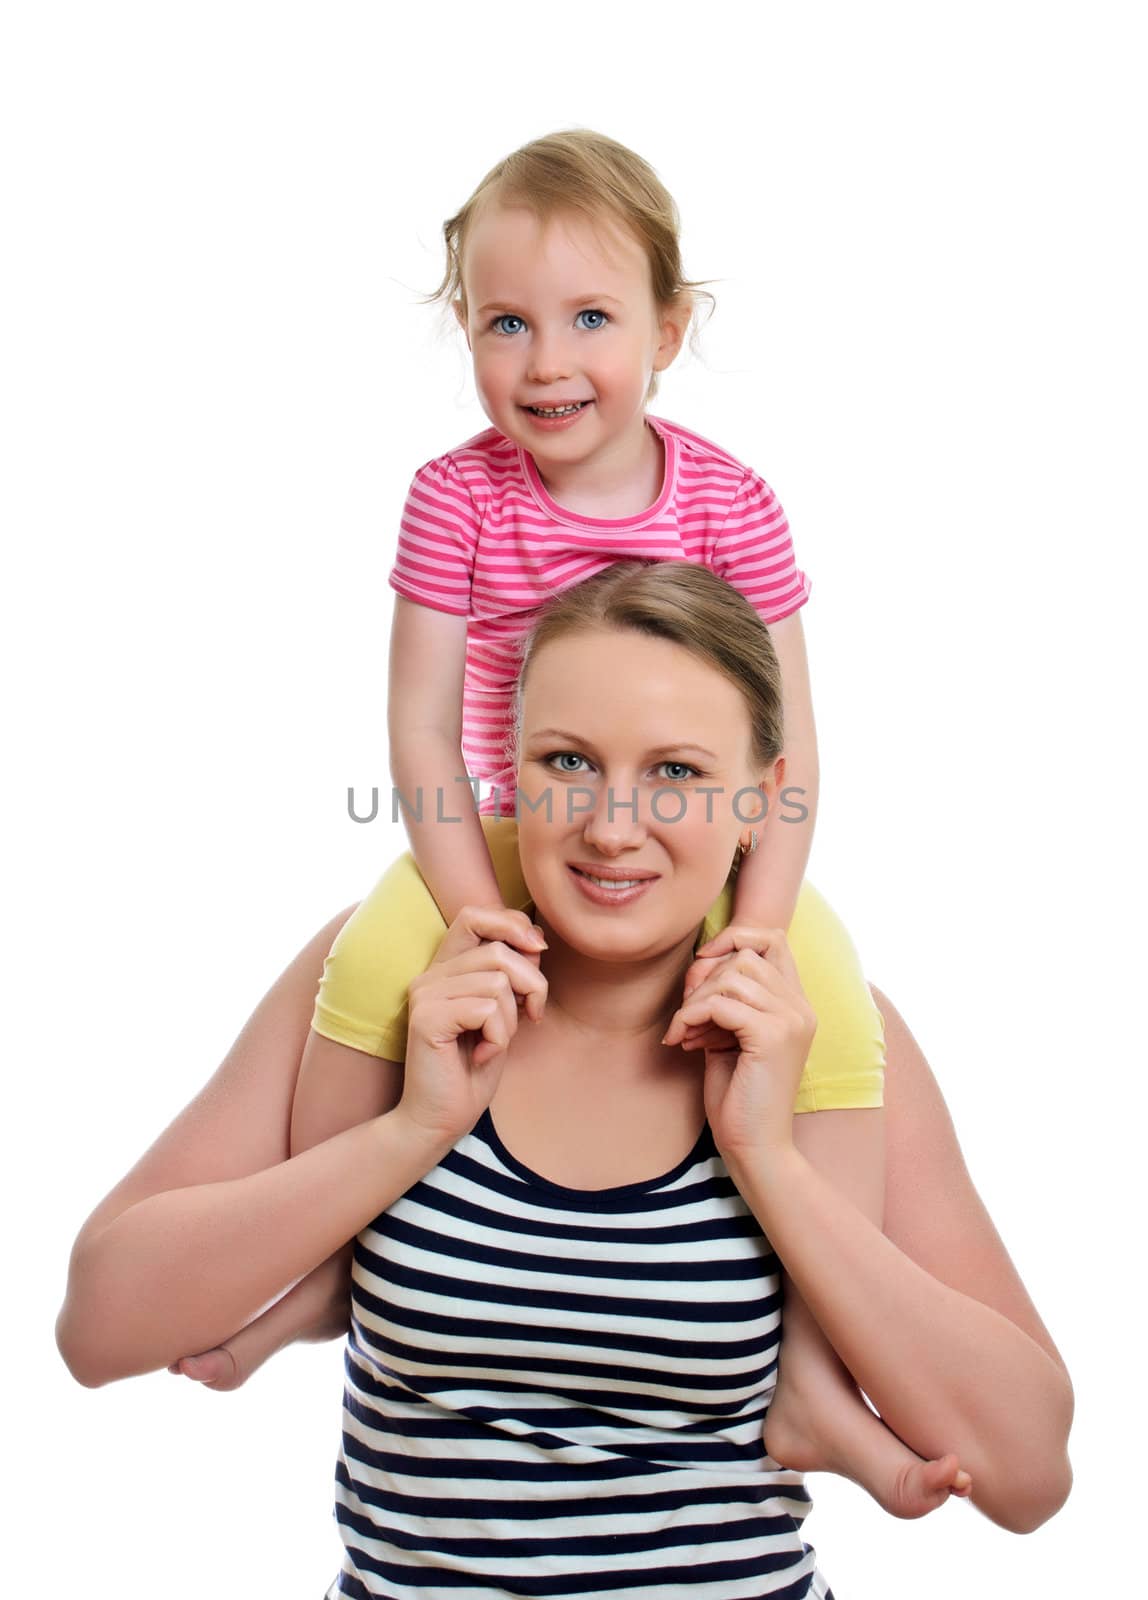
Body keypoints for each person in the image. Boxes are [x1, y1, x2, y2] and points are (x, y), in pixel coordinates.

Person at [57, 564, 1074, 1598]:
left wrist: (769, 1162)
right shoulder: (395, 978)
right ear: (510, 770)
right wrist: (408, 1132)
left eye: (675, 772)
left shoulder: (815, 1035)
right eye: (568, 762)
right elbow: (100, 1329)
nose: (611, 825)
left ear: (761, 799)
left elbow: (1025, 1473)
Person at [309, 124, 922, 1517]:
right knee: (365, 968)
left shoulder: (727, 501)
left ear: (670, 326)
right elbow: (418, 736)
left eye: (591, 318)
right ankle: (323, 1272)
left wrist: (755, 932)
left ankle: (816, 1374)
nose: (547, 362)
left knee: (827, 1014)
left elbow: (791, 746)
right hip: (504, 843)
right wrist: (475, 903)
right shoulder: (453, 496)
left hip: (698, 863)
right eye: (505, 322)